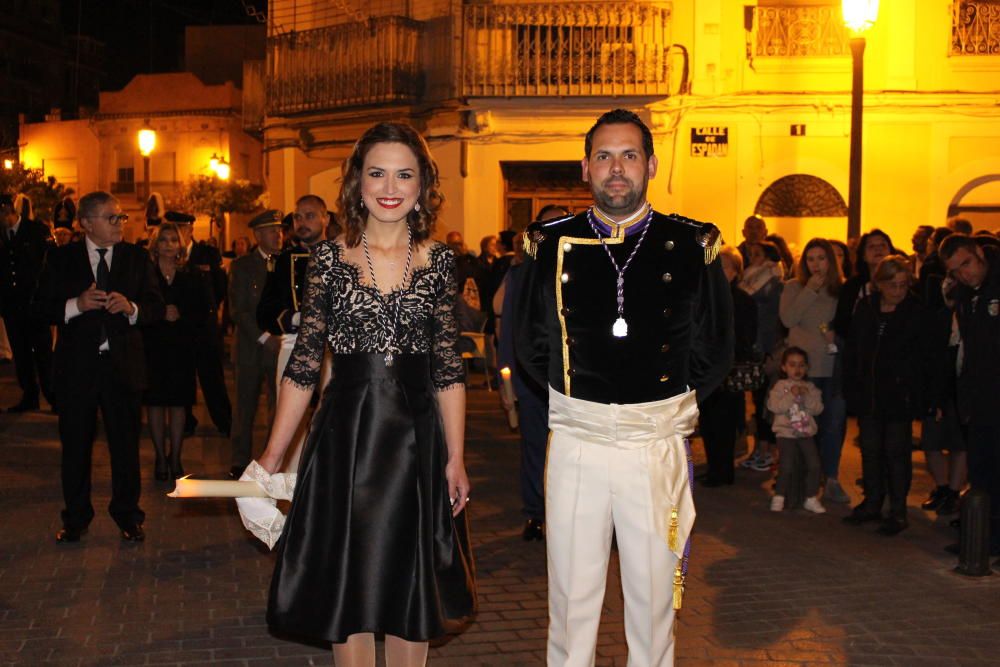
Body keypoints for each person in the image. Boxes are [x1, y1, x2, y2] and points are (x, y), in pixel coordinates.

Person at [249, 122, 474, 665]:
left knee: (410, 582)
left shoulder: (440, 262)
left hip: (418, 444)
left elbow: (447, 366)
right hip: (346, 440)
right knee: (344, 582)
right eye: (377, 172)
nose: (390, 186)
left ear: (423, 185)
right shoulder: (328, 261)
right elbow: (304, 366)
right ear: (357, 182)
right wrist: (269, 460)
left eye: (404, 174)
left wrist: (457, 456)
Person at [515, 108, 733, 666]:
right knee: (571, 596)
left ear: (651, 164)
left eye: (629, 155)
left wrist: (669, 408)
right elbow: (530, 341)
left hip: (653, 444)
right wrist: (571, 399)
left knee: (655, 596)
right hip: (577, 440)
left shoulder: (690, 244)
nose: (617, 169)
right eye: (605, 156)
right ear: (585, 167)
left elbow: (716, 344)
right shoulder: (549, 243)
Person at [32, 191, 165, 543]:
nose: (120, 223)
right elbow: (41, 308)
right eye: (111, 218)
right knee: (75, 446)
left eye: (121, 217)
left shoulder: (136, 257)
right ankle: (75, 517)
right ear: (87, 223)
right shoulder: (61, 259)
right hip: (77, 369)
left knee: (125, 446)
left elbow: (156, 305)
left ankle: (128, 515)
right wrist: (77, 304)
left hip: (123, 366)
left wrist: (132, 308)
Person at [496, 204, 569, 541]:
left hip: (575, 383)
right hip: (532, 380)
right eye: (549, 225)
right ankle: (536, 514)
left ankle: (571, 515)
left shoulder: (588, 269)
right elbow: (509, 327)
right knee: (536, 449)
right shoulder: (521, 273)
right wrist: (506, 380)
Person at [842, 255, 927, 535]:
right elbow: (854, 349)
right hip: (869, 392)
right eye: (893, 285)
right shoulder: (867, 308)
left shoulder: (915, 310)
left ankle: (898, 509)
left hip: (898, 393)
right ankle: (873, 501)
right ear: (880, 284)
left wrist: (914, 391)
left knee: (896, 452)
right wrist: (853, 386)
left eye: (903, 285)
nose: (898, 291)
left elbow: (922, 356)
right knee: (870, 449)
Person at [256, 194, 329, 471]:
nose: (302, 222)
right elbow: (264, 311)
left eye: (310, 215)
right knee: (290, 417)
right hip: (293, 342)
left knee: (334, 412)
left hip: (334, 348)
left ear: (325, 219)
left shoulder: (343, 256)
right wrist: (296, 317)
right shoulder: (283, 260)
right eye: (298, 217)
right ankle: (292, 484)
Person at [940, 234, 1000, 561]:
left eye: (966, 263)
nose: (965, 273)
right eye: (956, 270)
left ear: (978, 252)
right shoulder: (963, 295)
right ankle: (982, 538)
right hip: (978, 399)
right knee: (982, 472)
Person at [779, 239, 850, 505]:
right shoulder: (793, 287)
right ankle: (801, 482)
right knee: (800, 426)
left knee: (832, 425)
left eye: (821, 258)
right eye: (810, 259)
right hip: (803, 371)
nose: (816, 264)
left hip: (832, 367)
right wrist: (809, 290)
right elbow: (788, 319)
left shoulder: (840, 290)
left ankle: (831, 478)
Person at [142, 222, 205, 480]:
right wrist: (159, 314)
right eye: (164, 240)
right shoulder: (146, 274)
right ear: (155, 244)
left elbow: (202, 309)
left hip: (181, 346)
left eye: (173, 240)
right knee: (155, 405)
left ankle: (176, 456)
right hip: (153, 346)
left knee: (179, 404)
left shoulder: (190, 274)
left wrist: (182, 314)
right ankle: (159, 456)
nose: (169, 244)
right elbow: (139, 307)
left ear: (180, 245)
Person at [228, 210, 282, 479]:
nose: (278, 235)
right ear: (258, 235)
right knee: (245, 408)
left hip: (280, 347)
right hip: (251, 347)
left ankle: (269, 460)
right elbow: (238, 311)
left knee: (278, 407)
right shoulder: (242, 266)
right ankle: (239, 461)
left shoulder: (287, 263)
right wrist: (263, 337)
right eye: (272, 231)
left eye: (280, 230)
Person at [699, 246, 756, 487]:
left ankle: (723, 472)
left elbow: (745, 335)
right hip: (708, 368)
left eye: (724, 266)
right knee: (708, 421)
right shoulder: (706, 297)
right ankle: (714, 468)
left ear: (735, 271)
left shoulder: (741, 299)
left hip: (729, 369)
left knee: (725, 423)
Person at [172, 211, 232, 438]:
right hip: (179, 328)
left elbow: (219, 287)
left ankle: (224, 420)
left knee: (212, 378)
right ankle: (186, 421)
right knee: (182, 376)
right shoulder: (169, 255)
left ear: (190, 229)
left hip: (204, 327)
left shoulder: (206, 253)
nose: (179, 233)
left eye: (183, 228)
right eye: (175, 228)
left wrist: (207, 311)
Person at [0, 193, 56, 412]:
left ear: (6, 210)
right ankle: (29, 395)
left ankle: (53, 395)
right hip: (12, 307)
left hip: (35, 304)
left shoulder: (36, 231)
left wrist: (46, 298)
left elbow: (50, 266)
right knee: (21, 354)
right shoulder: (2, 236)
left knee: (43, 353)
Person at [738, 239, 784, 471]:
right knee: (757, 401)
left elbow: (771, 318)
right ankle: (759, 447)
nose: (753, 259)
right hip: (755, 346)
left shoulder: (773, 282)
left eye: (758, 255)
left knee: (767, 401)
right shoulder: (750, 278)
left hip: (766, 347)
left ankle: (769, 450)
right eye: (751, 255)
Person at [767, 347, 825, 514]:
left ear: (806, 368)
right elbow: (775, 407)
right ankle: (779, 496)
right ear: (784, 367)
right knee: (787, 466)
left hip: (806, 434)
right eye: (792, 365)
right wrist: (791, 395)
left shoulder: (810, 387)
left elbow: (818, 409)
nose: (797, 369)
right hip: (786, 434)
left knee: (814, 464)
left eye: (801, 365)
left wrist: (806, 397)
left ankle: (810, 497)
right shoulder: (780, 386)